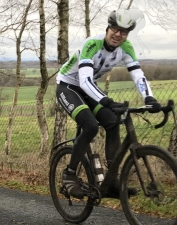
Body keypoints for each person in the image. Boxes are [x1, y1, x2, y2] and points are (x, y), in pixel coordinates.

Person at [55, 9, 161, 199]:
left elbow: (137, 74)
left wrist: (149, 98)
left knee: (112, 122)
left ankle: (111, 181)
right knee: (91, 126)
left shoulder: (126, 48)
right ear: (108, 28)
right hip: (68, 87)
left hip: (88, 88)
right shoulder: (92, 44)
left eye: (124, 32)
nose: (119, 34)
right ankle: (69, 174)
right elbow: (85, 80)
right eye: (115, 29)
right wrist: (107, 101)